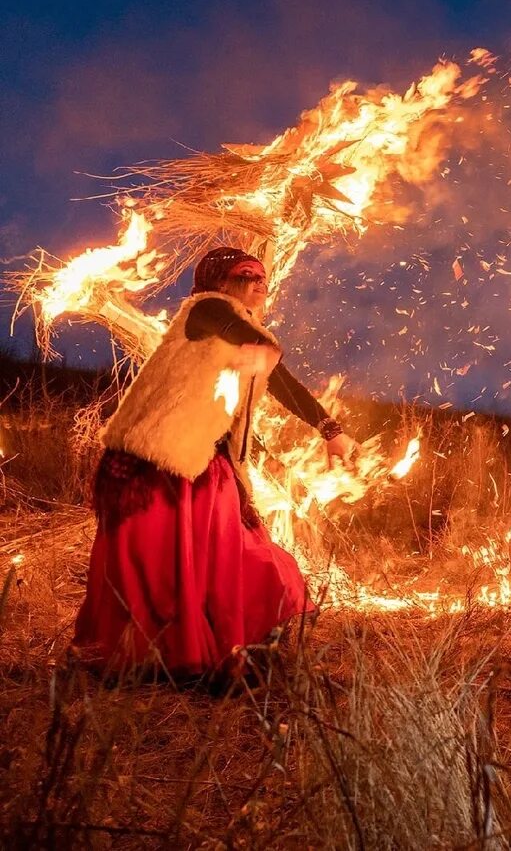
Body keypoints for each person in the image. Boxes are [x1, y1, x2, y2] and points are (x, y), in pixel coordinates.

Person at [73, 247, 357, 679]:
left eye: (263, 276)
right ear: (219, 282)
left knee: (237, 555)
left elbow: (281, 382)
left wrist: (331, 431)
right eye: (247, 275)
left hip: (204, 460)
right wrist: (260, 347)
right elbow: (254, 344)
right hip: (152, 462)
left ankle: (218, 648)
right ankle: (154, 658)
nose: (259, 283)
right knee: (155, 568)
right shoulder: (206, 309)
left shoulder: (246, 329)